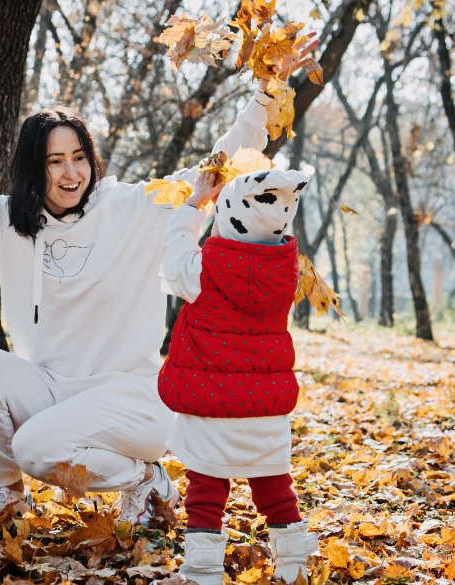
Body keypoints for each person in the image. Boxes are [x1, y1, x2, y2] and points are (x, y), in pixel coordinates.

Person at [0, 34, 323, 526]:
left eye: (79, 157)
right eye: (55, 162)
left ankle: (144, 479)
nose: (71, 173)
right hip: (52, 390)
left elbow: (220, 165)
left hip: (134, 399)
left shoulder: (136, 205)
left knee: (35, 447)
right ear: (34, 169)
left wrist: (268, 93)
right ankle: (8, 493)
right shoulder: (5, 221)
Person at [157, 167, 319, 585]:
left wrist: (194, 205)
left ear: (229, 213)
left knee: (206, 492)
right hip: (265, 409)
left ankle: (202, 572)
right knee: (276, 490)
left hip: (212, 406)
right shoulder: (286, 274)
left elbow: (173, 253)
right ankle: (294, 567)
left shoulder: (203, 271)